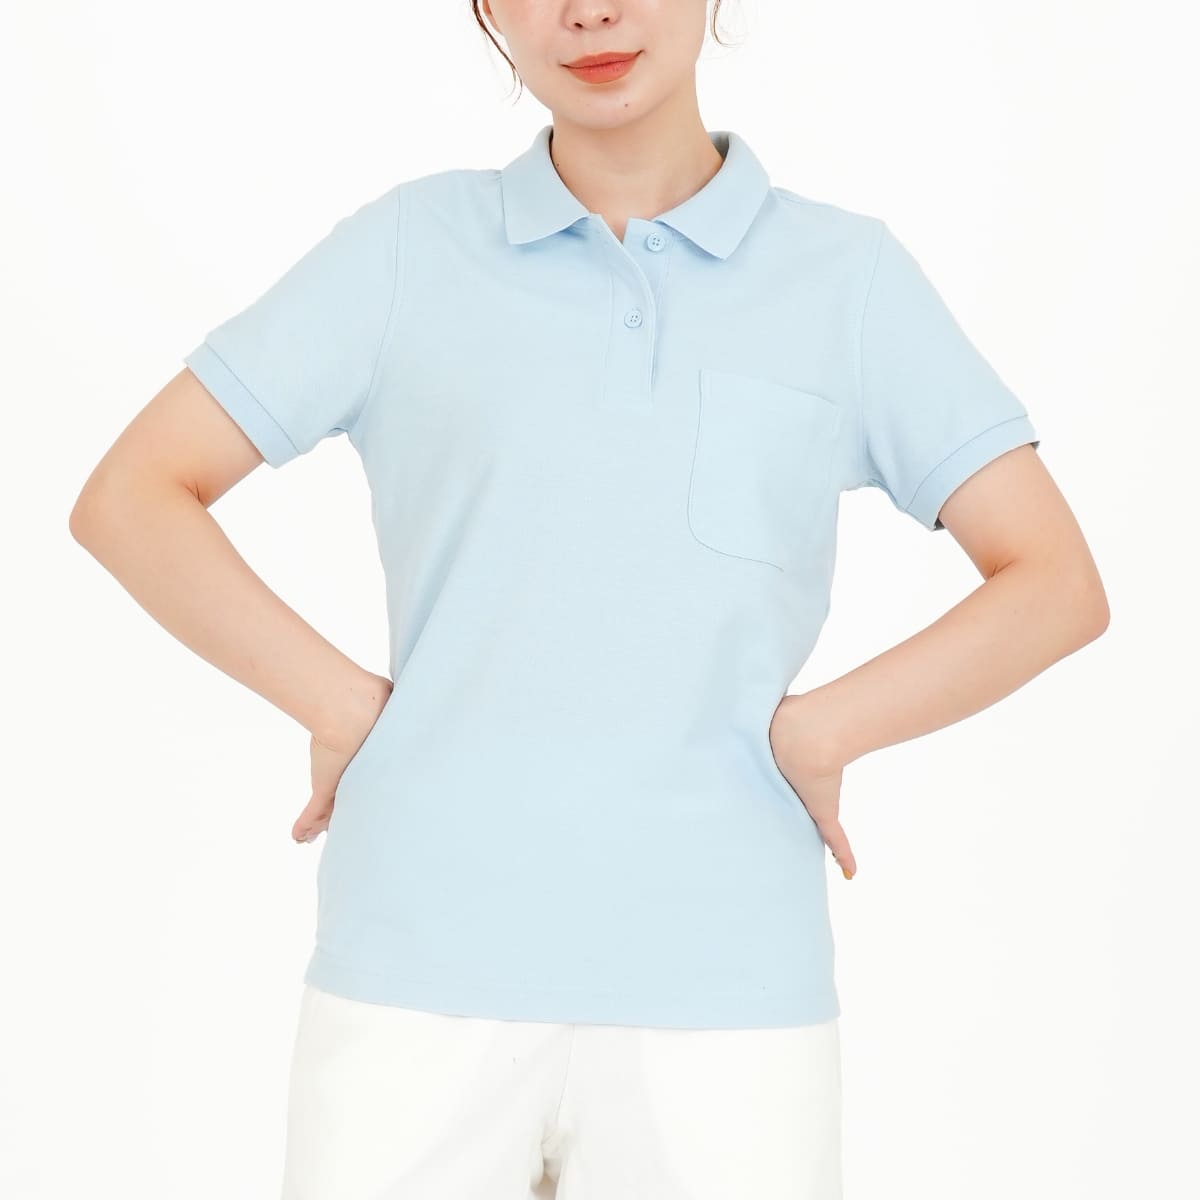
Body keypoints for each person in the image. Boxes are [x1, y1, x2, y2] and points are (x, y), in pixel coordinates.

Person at [68, 1, 1110, 1196]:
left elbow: (1053, 581)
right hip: (417, 967)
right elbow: (133, 496)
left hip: (726, 992)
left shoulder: (849, 280)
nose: (590, 11)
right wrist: (339, 704)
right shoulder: (407, 251)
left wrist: (827, 731)